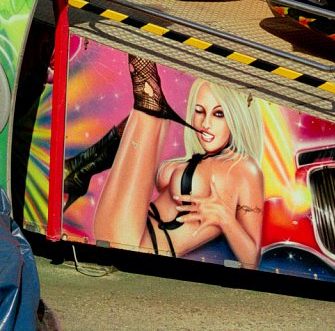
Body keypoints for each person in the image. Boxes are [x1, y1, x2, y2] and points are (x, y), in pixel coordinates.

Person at [93, 56, 264, 268]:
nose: (206, 123)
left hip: (134, 243)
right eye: (199, 111)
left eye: (219, 114)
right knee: (155, 118)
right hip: (127, 231)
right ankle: (84, 167)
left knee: (150, 109)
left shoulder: (245, 168)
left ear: (237, 118)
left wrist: (225, 218)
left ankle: (83, 167)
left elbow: (251, 258)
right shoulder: (200, 158)